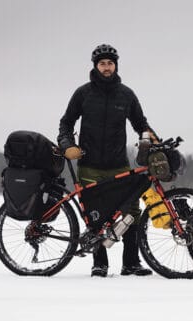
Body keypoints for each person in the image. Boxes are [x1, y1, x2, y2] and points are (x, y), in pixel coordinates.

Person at [58, 43, 158, 277]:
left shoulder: (126, 94)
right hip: (89, 165)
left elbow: (141, 124)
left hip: (118, 164)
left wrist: (154, 140)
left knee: (132, 211)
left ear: (115, 66)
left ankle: (131, 263)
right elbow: (66, 123)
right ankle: (99, 264)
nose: (106, 67)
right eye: (102, 63)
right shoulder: (83, 93)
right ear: (95, 66)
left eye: (110, 63)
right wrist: (67, 145)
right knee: (96, 215)